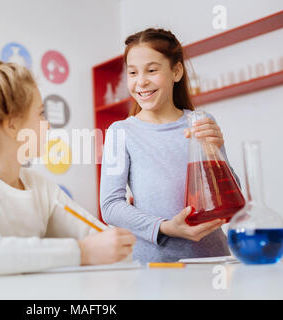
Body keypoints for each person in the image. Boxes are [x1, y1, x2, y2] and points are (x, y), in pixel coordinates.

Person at [0, 61, 136, 299]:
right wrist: (80, 252)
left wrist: (119, 239)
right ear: (11, 124)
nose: (47, 124)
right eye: (40, 113)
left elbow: (104, 244)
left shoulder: (39, 187)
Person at [100, 28, 241, 264]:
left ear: (176, 71)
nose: (141, 81)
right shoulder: (120, 133)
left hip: (214, 261)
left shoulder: (201, 123)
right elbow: (110, 206)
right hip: (156, 267)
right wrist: (166, 227)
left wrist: (213, 152)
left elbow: (232, 198)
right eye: (133, 73)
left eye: (152, 70)